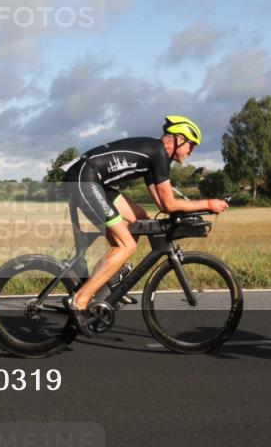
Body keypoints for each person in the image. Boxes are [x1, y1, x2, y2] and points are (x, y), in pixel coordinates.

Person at [61, 115, 229, 336]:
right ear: (178, 139)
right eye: (191, 145)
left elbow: (162, 204)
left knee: (140, 218)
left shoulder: (158, 157)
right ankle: (79, 301)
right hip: (84, 180)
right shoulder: (159, 152)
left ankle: (107, 280)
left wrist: (199, 209)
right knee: (127, 246)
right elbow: (169, 204)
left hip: (95, 181)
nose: (191, 151)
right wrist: (207, 203)